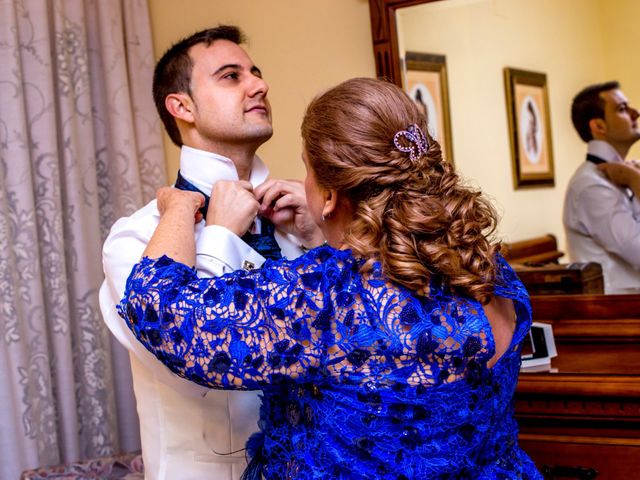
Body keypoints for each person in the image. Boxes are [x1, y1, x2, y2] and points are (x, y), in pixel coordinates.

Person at [117, 77, 542, 479]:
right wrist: (321, 231)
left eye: (308, 169)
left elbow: (156, 306)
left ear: (332, 194)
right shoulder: (484, 264)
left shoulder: (330, 292)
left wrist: (176, 208)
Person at [99, 26, 322, 480]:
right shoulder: (137, 240)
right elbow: (190, 355)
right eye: (230, 76)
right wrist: (220, 235)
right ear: (182, 107)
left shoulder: (305, 223)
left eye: (255, 73)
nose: (259, 85)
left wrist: (321, 241)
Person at [563, 81, 640, 293]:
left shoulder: (626, 174)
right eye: (623, 109)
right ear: (599, 126)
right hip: (620, 315)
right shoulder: (590, 186)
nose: (636, 113)